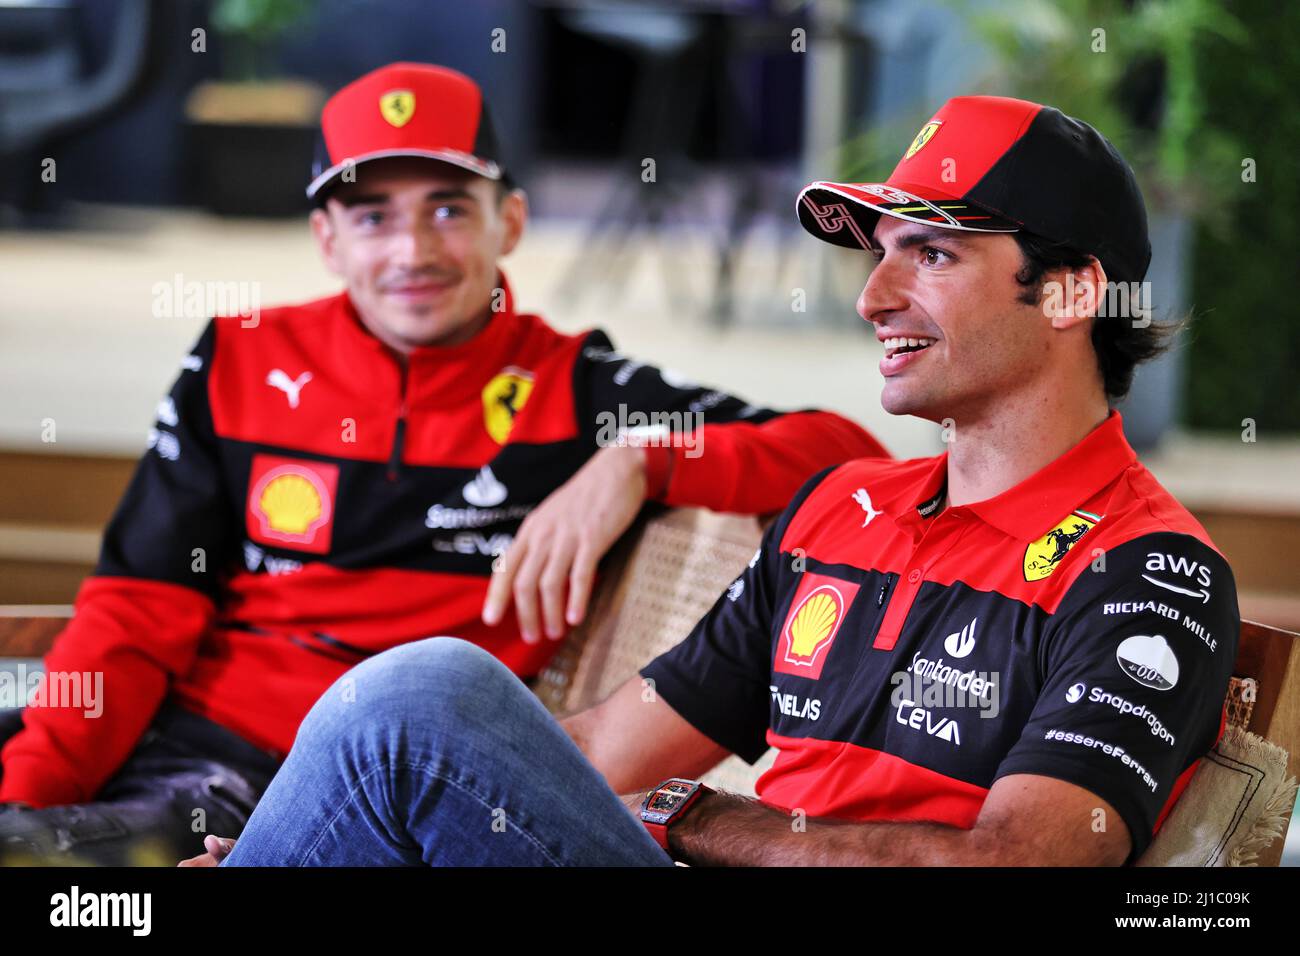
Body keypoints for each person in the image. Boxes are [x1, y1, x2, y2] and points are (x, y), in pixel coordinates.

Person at [188, 93, 1240, 868]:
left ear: (1067, 292)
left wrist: (694, 819)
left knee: (427, 688)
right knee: (410, 719)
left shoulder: (1148, 571)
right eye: (879, 253)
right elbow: (601, 749)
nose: (873, 295)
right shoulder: (842, 507)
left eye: (930, 254)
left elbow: (1017, 863)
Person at [0, 62, 887, 865]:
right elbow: (138, 604)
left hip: (343, 782)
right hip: (185, 729)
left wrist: (640, 463)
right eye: (372, 215)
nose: (412, 252)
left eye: (448, 209)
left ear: (511, 223)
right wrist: (33, 782)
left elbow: (846, 454)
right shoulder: (237, 356)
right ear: (326, 238)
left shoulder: (575, 386)